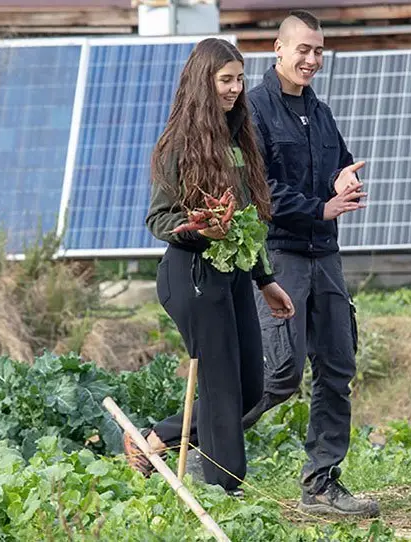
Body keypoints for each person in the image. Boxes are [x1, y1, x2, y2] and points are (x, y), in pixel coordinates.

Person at [124, 37, 295, 497]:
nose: (236, 89)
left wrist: (265, 280)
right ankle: (227, 491)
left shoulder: (238, 139)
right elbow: (159, 219)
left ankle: (156, 437)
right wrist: (200, 228)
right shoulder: (177, 144)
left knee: (251, 387)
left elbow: (246, 222)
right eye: (226, 80)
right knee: (221, 388)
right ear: (204, 82)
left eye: (239, 79)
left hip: (234, 273)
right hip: (192, 277)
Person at [240, 10, 380, 518]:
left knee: (337, 368)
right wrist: (320, 206)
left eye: (319, 51)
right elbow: (260, 190)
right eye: (303, 49)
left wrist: (342, 184)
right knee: (279, 374)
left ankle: (322, 483)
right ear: (278, 48)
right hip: (281, 255)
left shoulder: (320, 113)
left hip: (326, 255)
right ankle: (196, 443)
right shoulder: (253, 110)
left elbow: (337, 167)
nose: (312, 59)